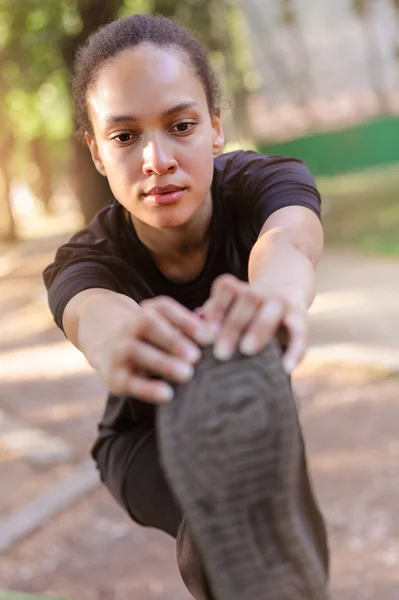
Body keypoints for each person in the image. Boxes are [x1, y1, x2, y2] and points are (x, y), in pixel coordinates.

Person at [43, 13, 330, 600]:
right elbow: (93, 314)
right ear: (97, 153)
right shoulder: (85, 259)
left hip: (252, 409)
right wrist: (121, 340)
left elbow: (290, 241)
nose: (157, 159)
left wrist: (275, 297)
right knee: (218, 513)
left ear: (216, 128)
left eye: (180, 125)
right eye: (125, 137)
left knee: (286, 537)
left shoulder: (262, 182)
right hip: (143, 438)